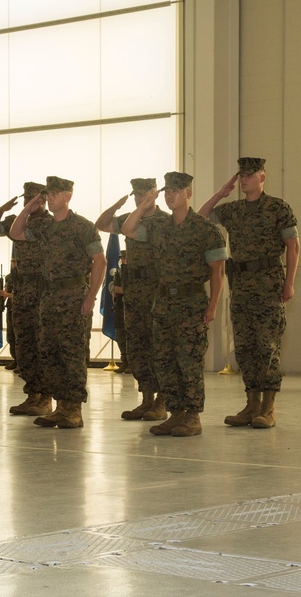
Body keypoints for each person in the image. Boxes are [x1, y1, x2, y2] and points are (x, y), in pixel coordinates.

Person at [121, 172, 226, 437]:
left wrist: (213, 305)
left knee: (188, 361)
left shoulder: (205, 229)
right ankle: (175, 412)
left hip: (191, 302)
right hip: (164, 302)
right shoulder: (159, 227)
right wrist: (145, 205)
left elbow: (218, 272)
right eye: (167, 192)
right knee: (165, 360)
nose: (170, 196)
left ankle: (192, 416)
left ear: (189, 194)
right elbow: (128, 229)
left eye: (176, 192)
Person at [199, 157, 299, 428]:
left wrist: (289, 282)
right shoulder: (233, 210)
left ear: (262, 177)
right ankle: (251, 403)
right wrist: (220, 194)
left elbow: (293, 246)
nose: (244, 180)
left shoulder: (278, 208)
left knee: (267, 346)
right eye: (241, 175)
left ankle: (268, 407)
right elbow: (200, 217)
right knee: (244, 348)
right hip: (241, 285)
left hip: (269, 284)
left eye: (250, 175)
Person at [10, 176, 105, 429]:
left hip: (74, 296)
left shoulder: (83, 227)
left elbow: (100, 261)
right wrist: (28, 208)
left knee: (72, 354)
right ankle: (60, 407)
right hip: (48, 298)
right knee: (50, 353)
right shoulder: (45, 227)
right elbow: (15, 233)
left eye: (54, 194)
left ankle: (73, 409)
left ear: (67, 196)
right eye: (47, 195)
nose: (49, 199)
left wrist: (90, 297)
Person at [96, 179, 169, 421]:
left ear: (154, 193)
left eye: (143, 194)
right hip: (133, 290)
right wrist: (118, 204)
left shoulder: (165, 221)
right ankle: (146, 398)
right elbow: (101, 224)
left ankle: (162, 401)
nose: (139, 198)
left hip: (157, 289)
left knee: (158, 345)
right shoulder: (130, 217)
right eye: (135, 194)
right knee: (137, 346)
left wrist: (145, 205)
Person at [0, 184, 51, 416]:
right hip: (22, 290)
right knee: (24, 346)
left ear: (44, 199)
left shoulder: (49, 223)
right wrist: (3, 209)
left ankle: (46, 397)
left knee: (42, 345)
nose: (29, 203)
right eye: (27, 199)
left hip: (42, 290)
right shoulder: (18, 220)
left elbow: (15, 233)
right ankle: (32, 394)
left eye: (34, 199)